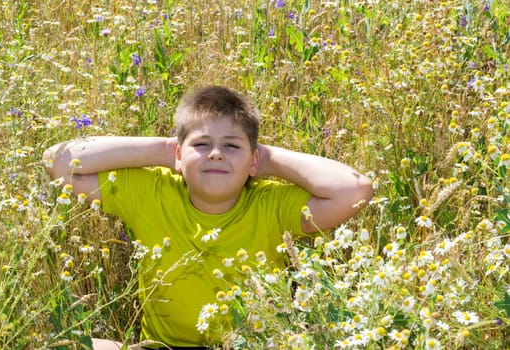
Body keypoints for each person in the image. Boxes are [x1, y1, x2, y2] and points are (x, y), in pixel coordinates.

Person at [42, 85, 374, 349]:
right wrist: (163, 149)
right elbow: (59, 162)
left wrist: (265, 159)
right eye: (202, 144)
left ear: (254, 160)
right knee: (64, 344)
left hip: (250, 345)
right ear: (177, 154)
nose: (215, 153)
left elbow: (354, 190)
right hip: (163, 347)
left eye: (231, 146)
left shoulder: (270, 204)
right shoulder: (153, 193)